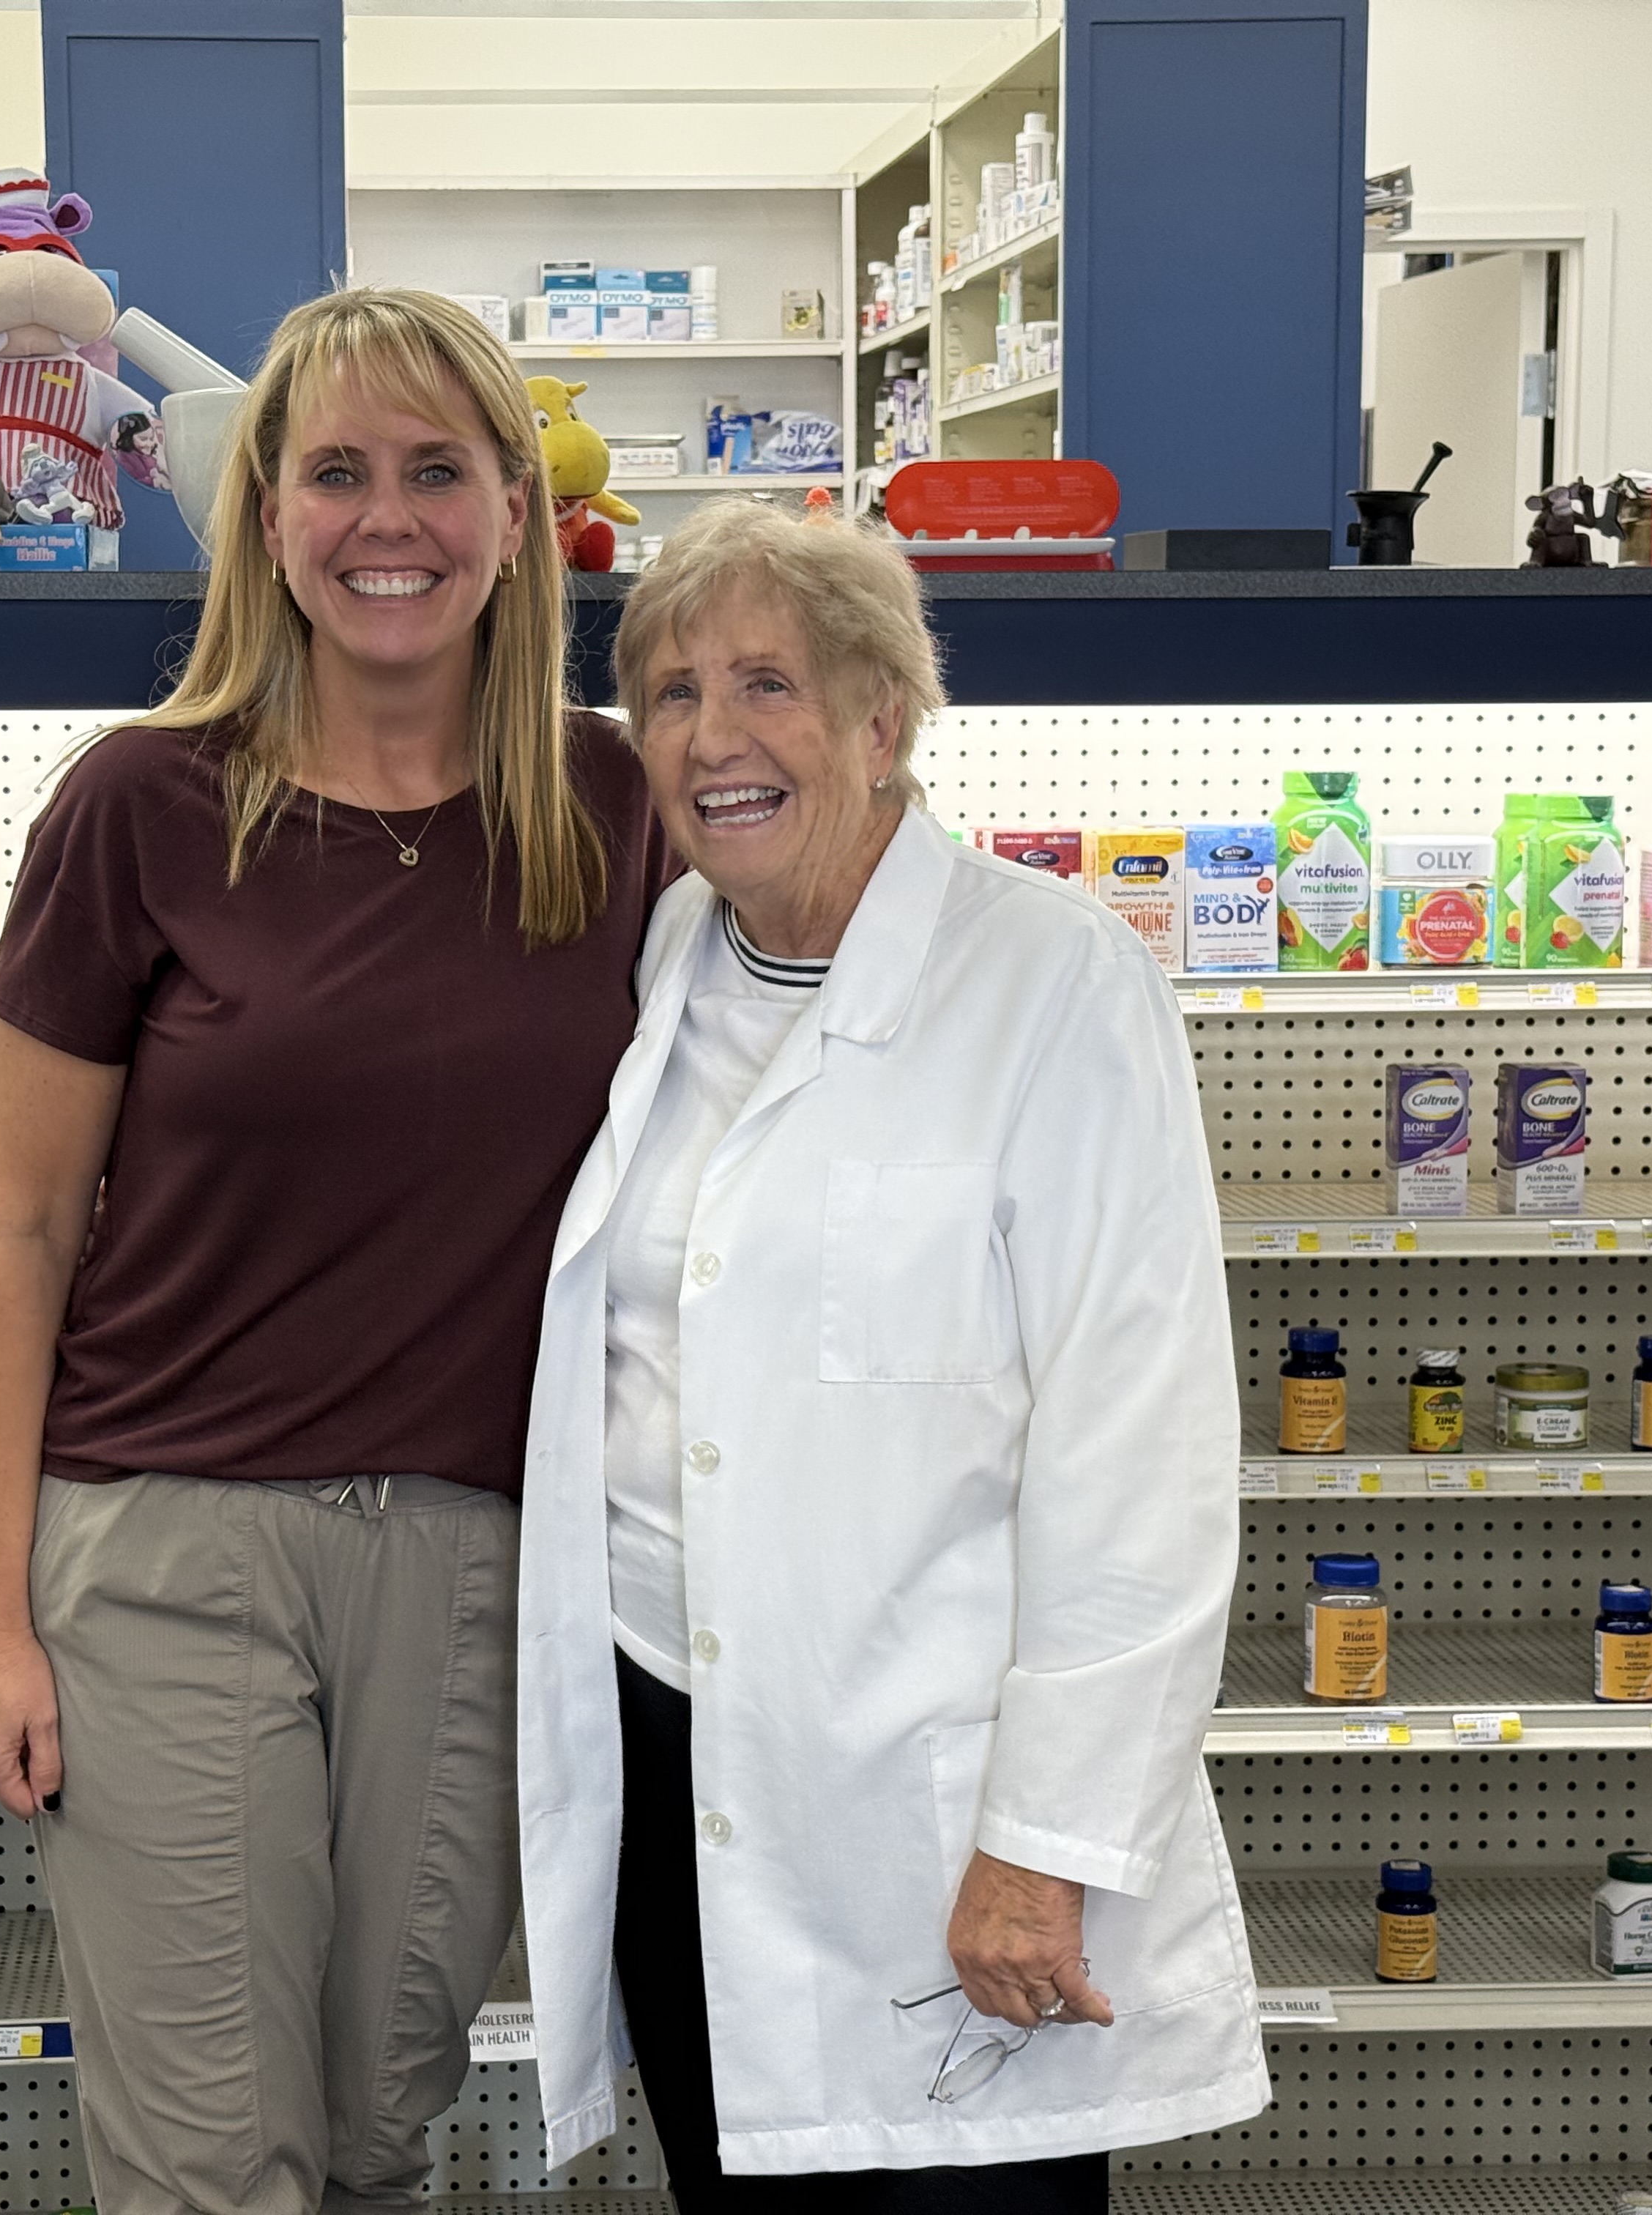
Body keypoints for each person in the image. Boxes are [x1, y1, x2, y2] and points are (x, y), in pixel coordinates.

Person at [0, 286, 670, 2215]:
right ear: (264, 515)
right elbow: (15, 1229)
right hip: (168, 1553)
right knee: (212, 2166)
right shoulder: (143, 806)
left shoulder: (616, 812)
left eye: (440, 471)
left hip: (482, 1567)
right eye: (336, 471)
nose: (389, 519)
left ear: (519, 512)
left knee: (372, 2141)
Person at [516, 500, 1266, 2209]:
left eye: (771, 683)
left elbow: (1136, 1454)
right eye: (676, 694)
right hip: (672, 1764)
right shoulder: (667, 962)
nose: (717, 739)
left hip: (934, 1810)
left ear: (882, 719)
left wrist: (1046, 1849)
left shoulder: (1054, 982)